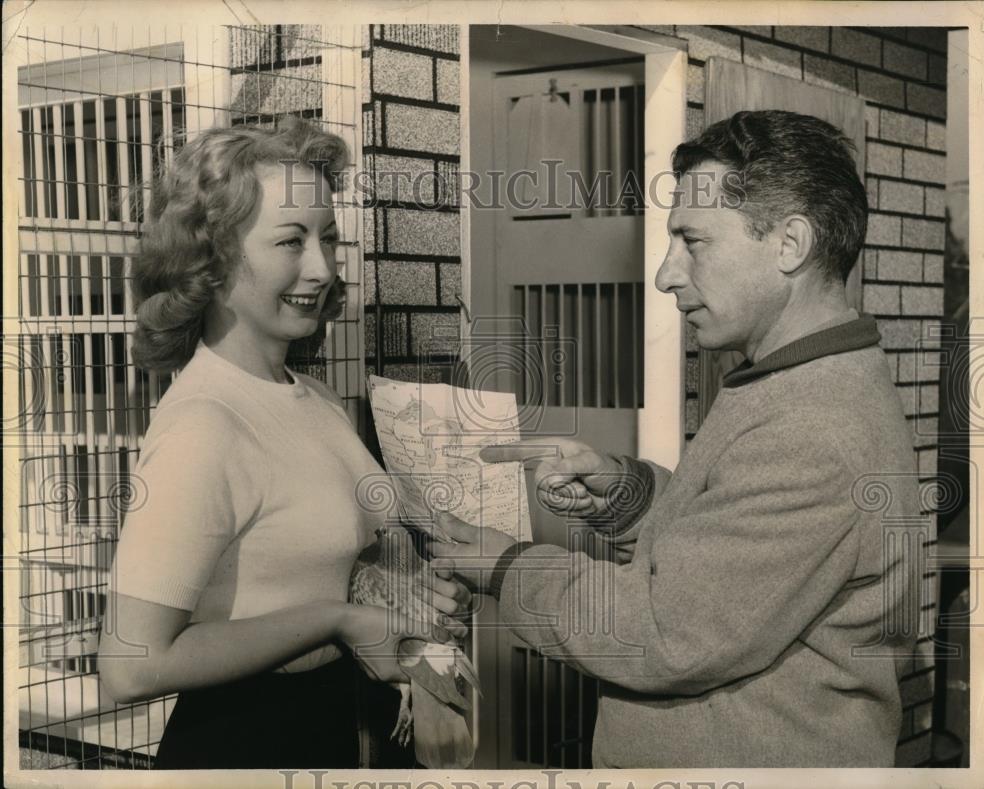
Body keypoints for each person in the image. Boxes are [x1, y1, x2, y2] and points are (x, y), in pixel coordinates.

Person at [430, 110, 921, 768]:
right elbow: (729, 544)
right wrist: (626, 494)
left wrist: (506, 566)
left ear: (790, 243)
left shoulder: (812, 425)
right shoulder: (788, 381)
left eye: (694, 240)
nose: (666, 274)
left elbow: (663, 632)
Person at [97, 117, 470, 769]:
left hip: (346, 726)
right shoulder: (203, 424)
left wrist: (405, 596)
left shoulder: (315, 398)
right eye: (291, 240)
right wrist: (339, 620)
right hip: (248, 743)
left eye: (327, 236)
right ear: (209, 263)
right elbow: (129, 665)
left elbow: (309, 562)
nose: (322, 267)